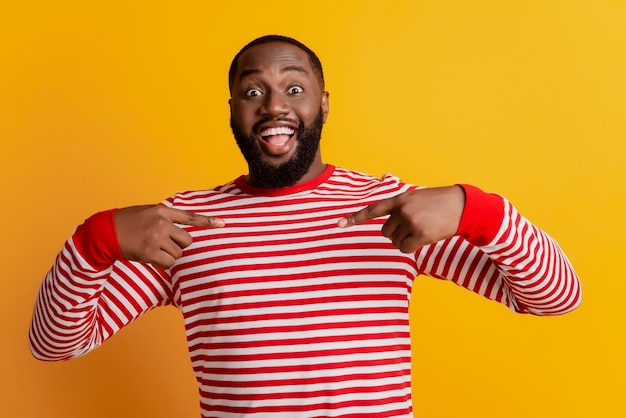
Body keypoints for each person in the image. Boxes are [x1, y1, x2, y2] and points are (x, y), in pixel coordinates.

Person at [29, 34, 582, 418]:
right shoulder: (185, 223)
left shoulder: (390, 209)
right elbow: (54, 345)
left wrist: (475, 210)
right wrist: (93, 240)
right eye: (253, 91)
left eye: (294, 88)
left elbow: (556, 297)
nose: (274, 105)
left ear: (324, 102)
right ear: (231, 111)